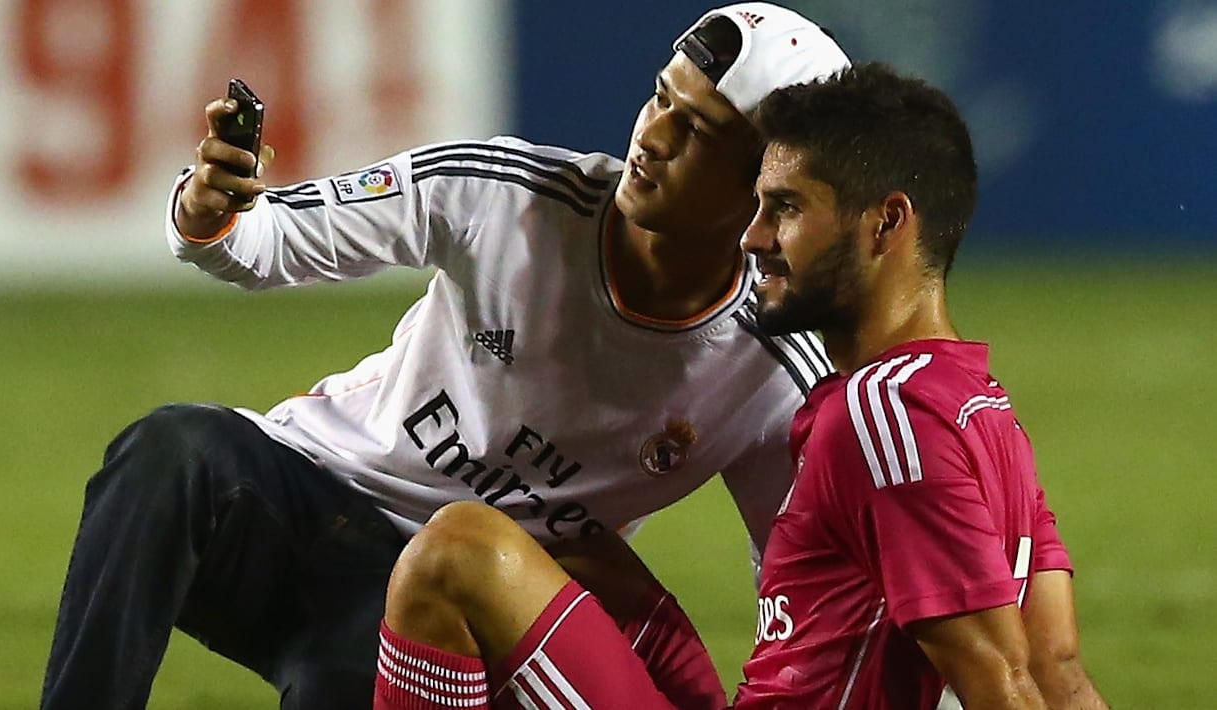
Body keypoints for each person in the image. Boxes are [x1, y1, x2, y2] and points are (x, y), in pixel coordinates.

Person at [37, 5, 850, 709]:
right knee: (169, 453)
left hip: (442, 604)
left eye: (697, 130)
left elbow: (798, 589)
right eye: (661, 98)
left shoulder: (773, 368)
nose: (653, 136)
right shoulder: (503, 195)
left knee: (348, 677)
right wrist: (210, 207)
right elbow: (266, 239)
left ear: (766, 182)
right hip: (308, 494)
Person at [373, 62, 1110, 709]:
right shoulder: (980, 407)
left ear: (886, 224)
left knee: (455, 553)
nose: (753, 238)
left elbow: (1001, 684)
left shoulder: (881, 415)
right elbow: (1060, 674)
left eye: (786, 208)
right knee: (574, 550)